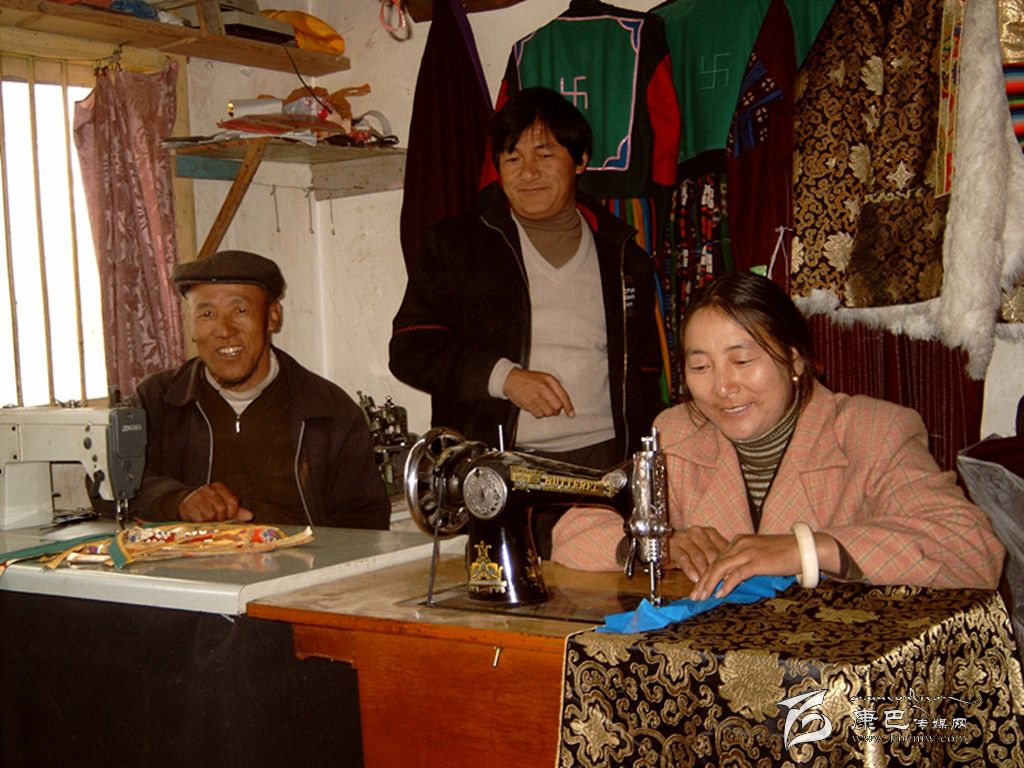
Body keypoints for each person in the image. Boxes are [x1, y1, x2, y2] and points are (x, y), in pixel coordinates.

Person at [551, 271, 1004, 594]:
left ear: (794, 360)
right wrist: (652, 545)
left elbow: (970, 550)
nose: (723, 387)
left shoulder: (872, 431)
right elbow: (573, 533)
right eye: (701, 367)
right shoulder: (677, 432)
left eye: (742, 360)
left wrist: (805, 550)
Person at [389, 87, 666, 556]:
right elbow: (411, 349)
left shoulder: (623, 255)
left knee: (606, 595)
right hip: (498, 471)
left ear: (580, 161)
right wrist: (504, 378)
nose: (528, 172)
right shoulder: (456, 245)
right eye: (512, 157)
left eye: (545, 153)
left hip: (604, 468)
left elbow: (645, 372)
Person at [132, 250, 390, 529]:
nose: (224, 330)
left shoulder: (329, 410)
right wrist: (177, 500)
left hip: (301, 557)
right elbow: (114, 488)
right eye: (207, 314)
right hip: (192, 557)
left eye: (240, 310)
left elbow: (365, 522)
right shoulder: (157, 401)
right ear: (191, 327)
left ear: (273, 316)